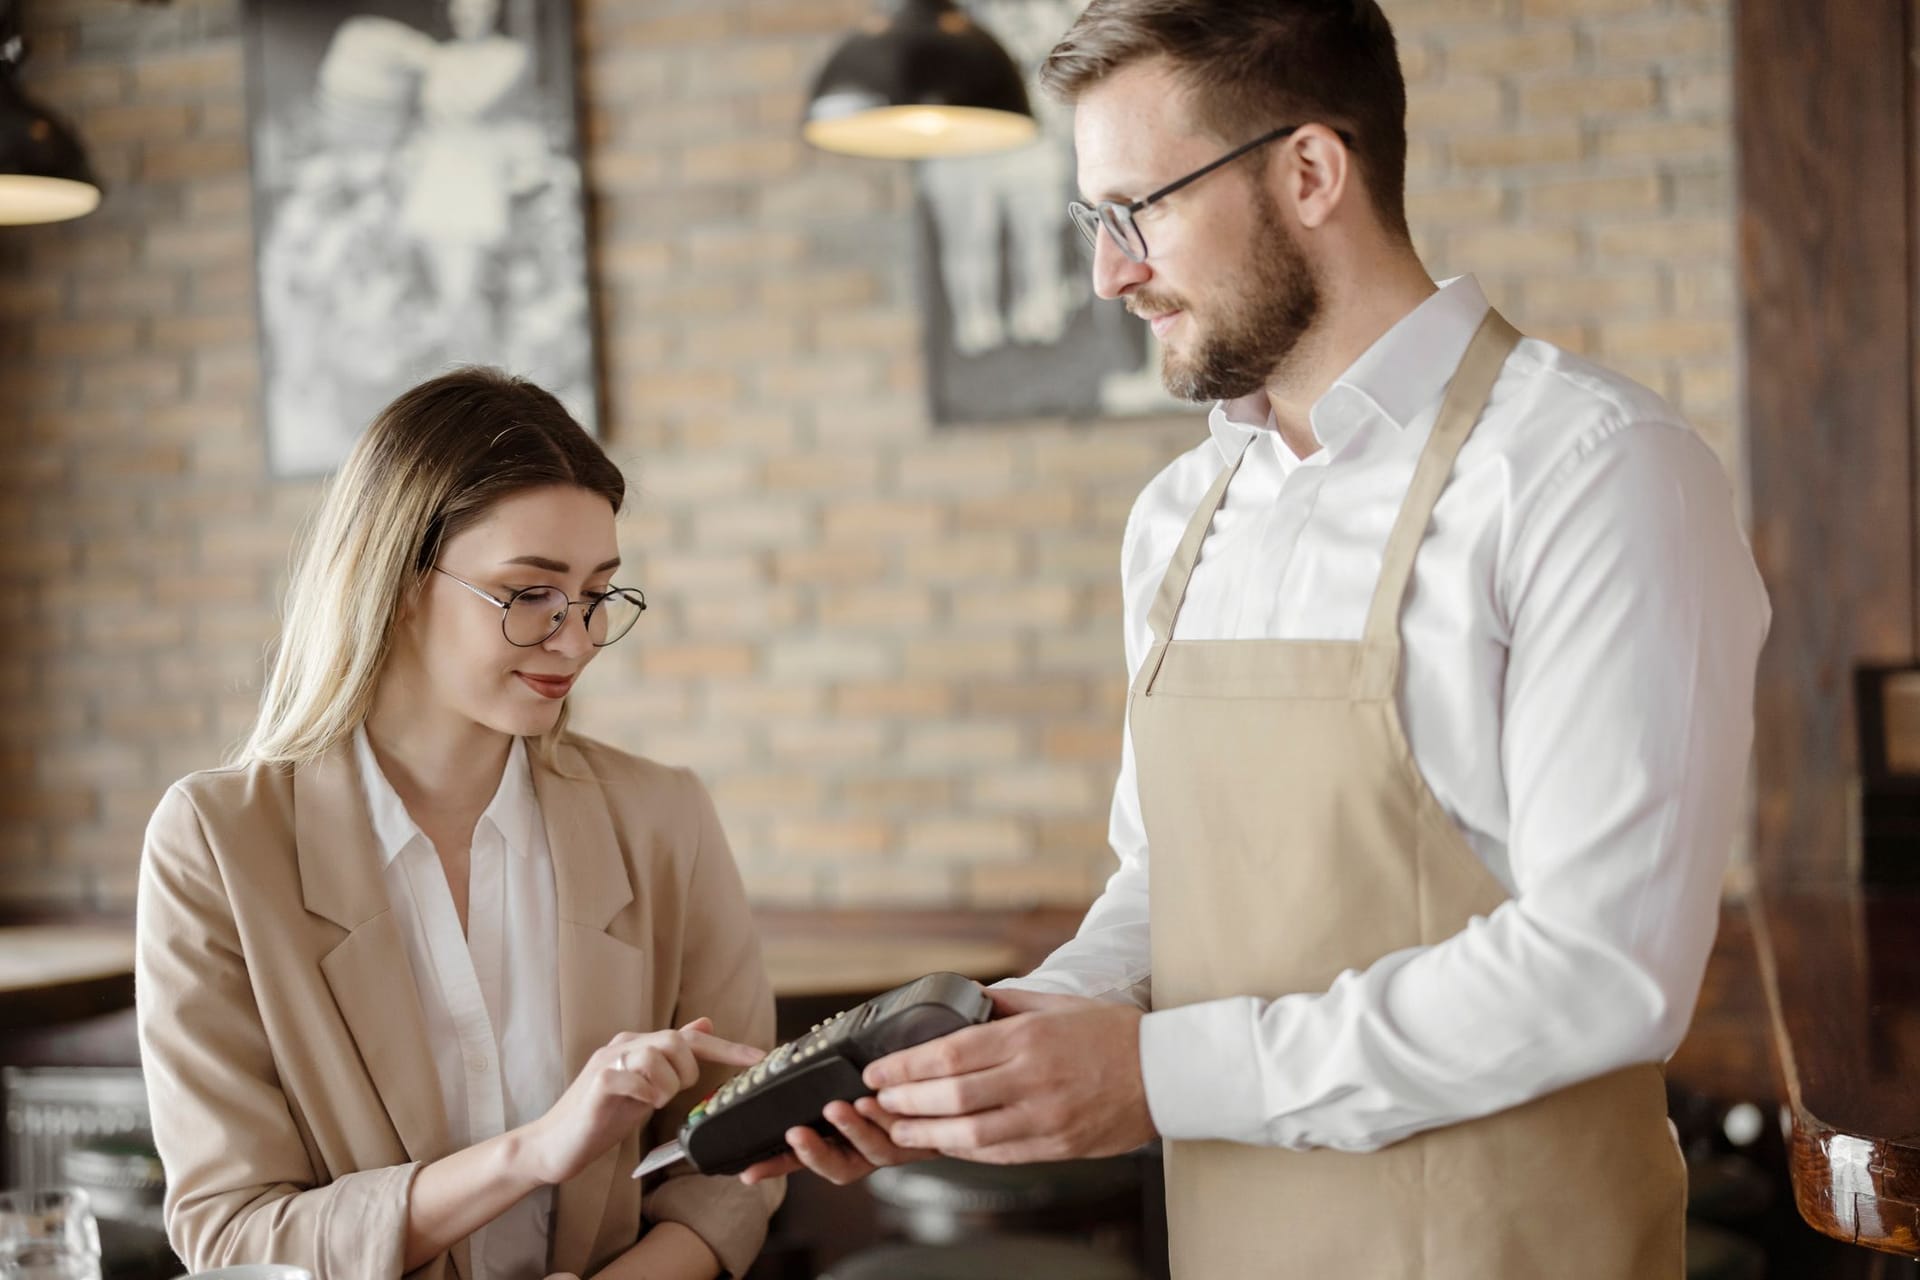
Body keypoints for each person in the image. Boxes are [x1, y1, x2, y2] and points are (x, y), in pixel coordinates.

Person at [739, 3, 1770, 1276]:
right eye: (1093, 220)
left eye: (1142, 210)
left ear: (1311, 171)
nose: (1110, 273)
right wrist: (1009, 1046)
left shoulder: (1592, 473)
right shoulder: (1179, 515)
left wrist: (1156, 1074)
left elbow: (1602, 967)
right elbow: (1170, 878)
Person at [137, 368, 782, 1280]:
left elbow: (735, 1161)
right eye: (529, 594)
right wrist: (534, 1151)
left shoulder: (663, 818)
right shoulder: (214, 843)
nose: (577, 638)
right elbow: (232, 1232)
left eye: (599, 593)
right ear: (397, 579)